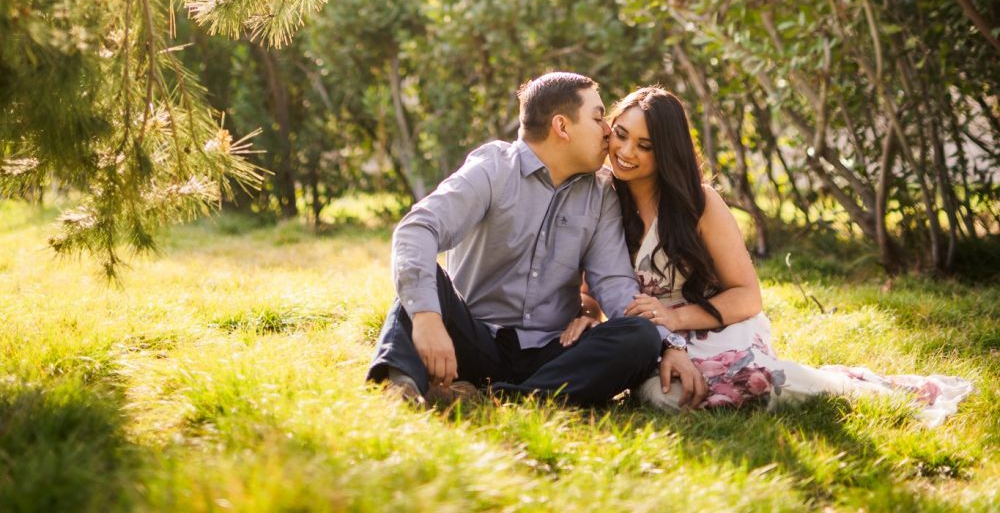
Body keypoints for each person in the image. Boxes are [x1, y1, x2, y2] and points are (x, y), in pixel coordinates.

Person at [561, 86, 973, 425]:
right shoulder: (598, 195)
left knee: (756, 380)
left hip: (714, 325)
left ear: (666, 152)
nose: (626, 151)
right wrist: (584, 311)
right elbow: (595, 288)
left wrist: (674, 318)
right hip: (649, 338)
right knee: (661, 397)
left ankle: (874, 393)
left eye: (644, 145)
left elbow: (746, 296)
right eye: (620, 134)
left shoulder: (697, 203)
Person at [366, 72, 706, 407]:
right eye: (598, 117)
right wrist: (428, 317)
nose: (608, 131)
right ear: (562, 127)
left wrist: (669, 345)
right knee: (421, 286)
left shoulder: (601, 193)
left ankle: (504, 397)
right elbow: (417, 229)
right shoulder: (494, 169)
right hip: (473, 341)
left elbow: (615, 286)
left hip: (552, 352)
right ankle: (400, 386)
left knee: (638, 337)